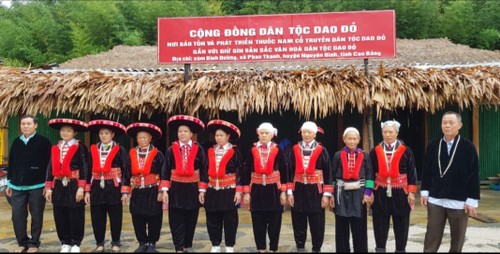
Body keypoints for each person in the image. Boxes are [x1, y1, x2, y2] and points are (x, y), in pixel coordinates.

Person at [420, 111, 480, 252]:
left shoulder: (468, 147)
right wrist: (424, 192)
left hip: (459, 200)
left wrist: (472, 200)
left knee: (458, 238)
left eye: (451, 123)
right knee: (432, 235)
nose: (447, 125)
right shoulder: (433, 145)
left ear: (459, 125)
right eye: (444, 123)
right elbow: (426, 171)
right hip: (436, 199)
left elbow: (473, 174)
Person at [369, 119, 417, 253]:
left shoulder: (406, 151)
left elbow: (412, 172)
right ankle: (380, 249)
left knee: (401, 223)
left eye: (391, 132)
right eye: (385, 132)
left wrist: (411, 192)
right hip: (380, 192)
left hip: (401, 193)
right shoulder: (376, 150)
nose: (388, 135)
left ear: (397, 132)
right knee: (379, 223)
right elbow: (370, 172)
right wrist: (370, 192)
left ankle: (400, 250)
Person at [5, 115, 52, 253]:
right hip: (17, 186)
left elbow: (49, 164)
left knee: (36, 215)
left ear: (35, 125)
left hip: (37, 185)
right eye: (23, 124)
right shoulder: (16, 142)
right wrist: (9, 183)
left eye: (28, 124)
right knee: (17, 215)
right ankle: (22, 242)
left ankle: (34, 244)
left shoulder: (43, 142)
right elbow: (12, 163)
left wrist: (47, 184)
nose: (25, 126)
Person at [84, 120, 130, 253]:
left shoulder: (120, 149)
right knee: (97, 215)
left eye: (106, 133)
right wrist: (87, 190)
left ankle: (115, 242)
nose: (103, 136)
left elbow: (126, 169)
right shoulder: (93, 149)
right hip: (97, 186)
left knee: (115, 215)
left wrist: (125, 191)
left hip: (114, 186)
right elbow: (87, 170)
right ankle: (99, 243)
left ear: (112, 134)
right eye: (101, 133)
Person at [44, 118, 89, 253]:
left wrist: (82, 187)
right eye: (63, 130)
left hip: (74, 184)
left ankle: (76, 243)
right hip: (58, 184)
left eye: (68, 131)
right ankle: (65, 242)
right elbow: (50, 167)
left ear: (75, 133)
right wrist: (48, 188)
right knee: (60, 212)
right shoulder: (56, 147)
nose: (65, 133)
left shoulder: (80, 147)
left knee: (75, 213)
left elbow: (85, 167)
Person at [287, 121, 333, 253]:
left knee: (317, 222)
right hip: (298, 189)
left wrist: (326, 195)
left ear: (315, 134)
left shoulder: (322, 150)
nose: (306, 135)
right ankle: (300, 247)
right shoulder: (294, 149)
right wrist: (289, 192)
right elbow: (290, 171)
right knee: (298, 220)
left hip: (316, 191)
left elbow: (328, 172)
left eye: (309, 132)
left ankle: (316, 248)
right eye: (304, 132)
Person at [242, 122, 288, 253]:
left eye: (266, 133)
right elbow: (246, 172)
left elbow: (285, 172)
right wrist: (246, 193)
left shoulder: (278, 150)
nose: (263, 135)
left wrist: (283, 192)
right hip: (256, 190)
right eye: (261, 133)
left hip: (274, 190)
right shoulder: (252, 150)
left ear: (272, 134)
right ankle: (261, 249)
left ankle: (273, 249)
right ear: (258, 134)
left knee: (274, 223)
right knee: (258, 222)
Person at [122, 122, 167, 253]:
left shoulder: (158, 154)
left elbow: (164, 173)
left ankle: (152, 242)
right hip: (137, 190)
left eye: (144, 138)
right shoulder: (131, 154)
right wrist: (125, 192)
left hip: (153, 189)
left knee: (154, 216)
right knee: (137, 215)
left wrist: (162, 190)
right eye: (139, 138)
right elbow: (126, 173)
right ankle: (142, 242)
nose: (142, 140)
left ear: (150, 138)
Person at [165, 115, 208, 253]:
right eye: (180, 131)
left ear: (191, 134)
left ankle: (187, 245)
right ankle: (178, 246)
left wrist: (202, 190)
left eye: (185, 131)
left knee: (191, 217)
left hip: (192, 188)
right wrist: (164, 190)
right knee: (176, 218)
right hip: (176, 188)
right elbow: (165, 169)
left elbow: (204, 169)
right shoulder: (171, 149)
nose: (182, 134)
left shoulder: (199, 149)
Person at [331, 127, 374, 252]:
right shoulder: (337, 155)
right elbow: (332, 176)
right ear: (344, 139)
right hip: (341, 194)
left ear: (359, 139)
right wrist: (332, 195)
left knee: (359, 227)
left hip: (359, 195)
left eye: (354, 138)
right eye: (349, 138)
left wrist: (367, 193)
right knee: (341, 226)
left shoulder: (365, 155)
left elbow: (369, 175)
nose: (351, 141)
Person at [204, 119, 243, 253]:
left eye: (221, 135)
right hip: (212, 190)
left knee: (230, 219)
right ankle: (215, 244)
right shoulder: (209, 150)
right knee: (212, 217)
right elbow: (204, 171)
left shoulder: (235, 152)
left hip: (229, 190)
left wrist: (238, 191)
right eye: (216, 135)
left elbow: (239, 171)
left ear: (228, 136)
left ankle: (229, 245)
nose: (218, 138)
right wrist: (202, 190)